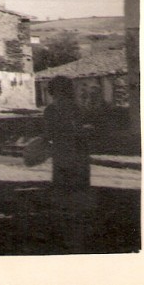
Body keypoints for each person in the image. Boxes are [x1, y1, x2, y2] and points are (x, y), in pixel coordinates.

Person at [43, 75, 92, 252]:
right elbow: (83, 131)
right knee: (79, 191)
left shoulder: (51, 110)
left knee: (63, 192)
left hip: (62, 154)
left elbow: (48, 135)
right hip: (79, 154)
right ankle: (80, 234)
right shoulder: (77, 108)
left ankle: (66, 235)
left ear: (52, 91)